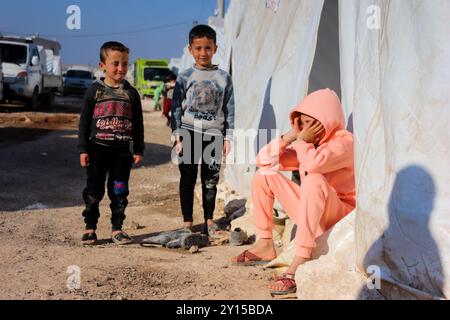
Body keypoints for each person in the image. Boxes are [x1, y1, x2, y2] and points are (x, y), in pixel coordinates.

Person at [231, 89, 355, 296]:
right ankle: (265, 243)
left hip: (340, 217)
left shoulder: (344, 142)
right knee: (264, 175)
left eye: (309, 123)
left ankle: (301, 258)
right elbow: (262, 160)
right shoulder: (308, 145)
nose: (303, 129)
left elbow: (315, 164)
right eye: (301, 123)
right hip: (314, 214)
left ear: (327, 119)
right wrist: (289, 138)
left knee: (314, 179)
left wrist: (303, 143)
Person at [78, 41, 145, 245]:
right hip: (97, 151)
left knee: (119, 191)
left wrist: (138, 149)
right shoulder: (94, 92)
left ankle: (117, 229)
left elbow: (138, 124)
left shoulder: (131, 93)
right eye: (115, 63)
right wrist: (83, 149)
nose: (120, 68)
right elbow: (84, 123)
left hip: (121, 154)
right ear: (102, 65)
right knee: (94, 191)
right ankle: (90, 228)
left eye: (124, 64)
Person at [171, 24, 235, 235]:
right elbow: (176, 109)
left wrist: (228, 137)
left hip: (214, 135)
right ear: (190, 49)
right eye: (198, 48)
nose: (203, 53)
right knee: (187, 180)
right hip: (189, 134)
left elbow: (229, 109)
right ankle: (187, 223)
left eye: (208, 48)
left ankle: (209, 221)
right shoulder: (184, 77)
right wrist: (177, 136)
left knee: (210, 182)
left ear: (215, 48)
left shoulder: (224, 78)